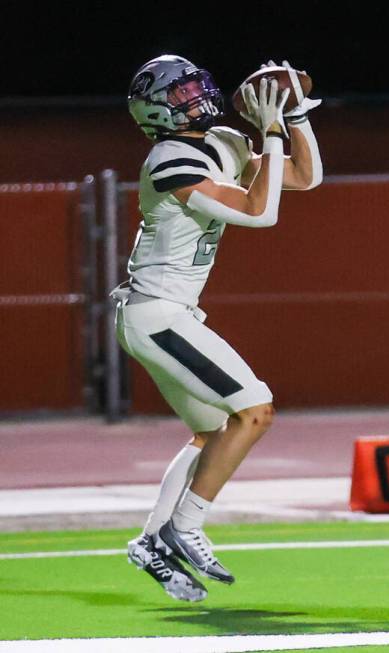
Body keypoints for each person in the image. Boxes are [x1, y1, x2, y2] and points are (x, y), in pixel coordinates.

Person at [117, 55, 323, 601]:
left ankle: (150, 540)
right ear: (157, 114)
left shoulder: (226, 141)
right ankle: (183, 527)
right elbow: (261, 212)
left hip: (170, 314)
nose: (196, 95)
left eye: (194, 86)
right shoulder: (168, 158)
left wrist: (295, 117)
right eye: (180, 93)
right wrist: (273, 131)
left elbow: (303, 178)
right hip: (155, 314)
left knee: (213, 434)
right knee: (254, 409)